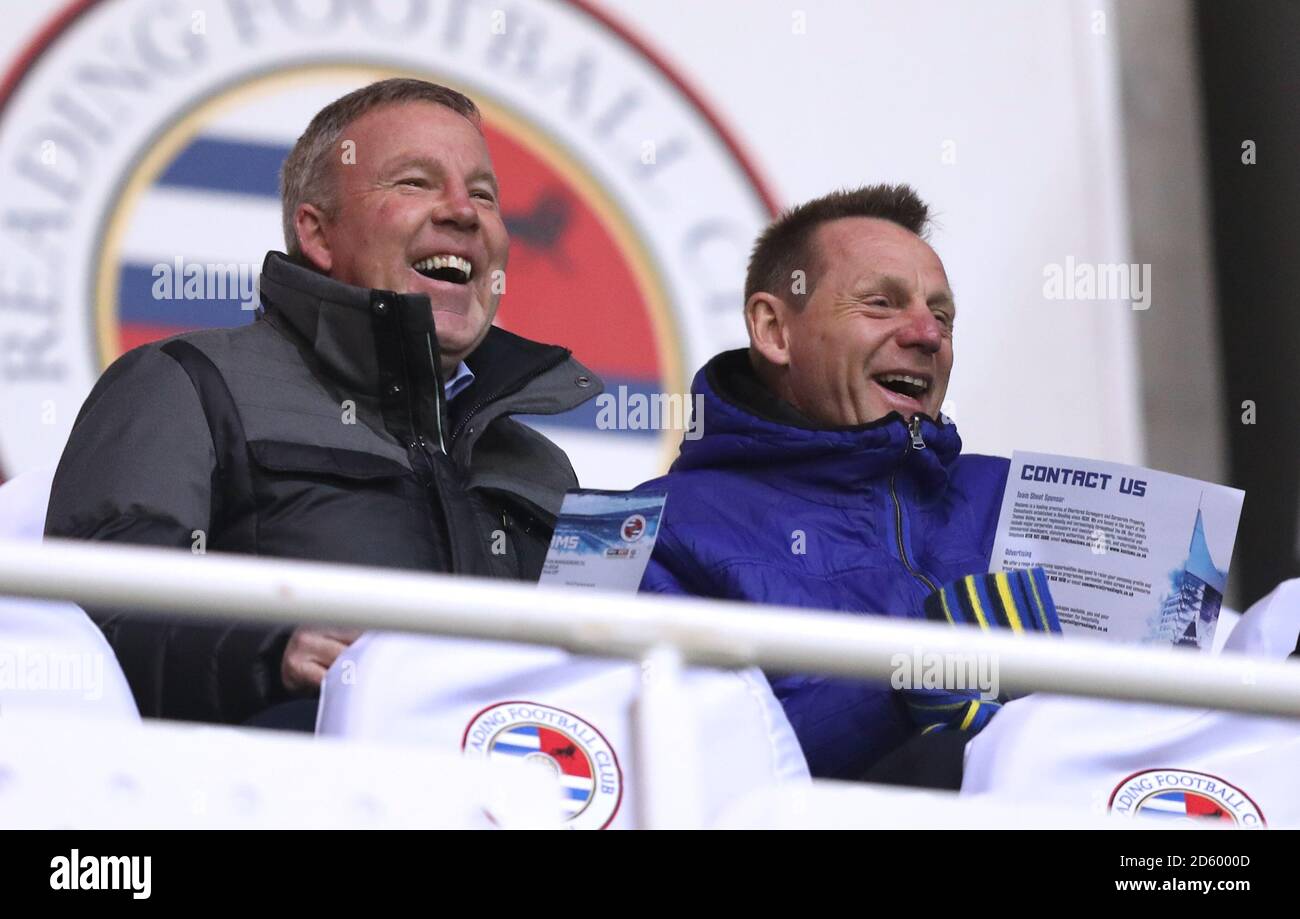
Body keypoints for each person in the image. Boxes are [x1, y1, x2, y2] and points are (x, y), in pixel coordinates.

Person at [44, 78, 602, 726]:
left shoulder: (546, 466)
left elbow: (597, 688)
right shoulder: (185, 383)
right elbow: (88, 625)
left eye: (483, 193)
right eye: (415, 183)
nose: (464, 211)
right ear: (317, 232)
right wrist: (269, 653)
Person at [636, 184, 1009, 779]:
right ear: (774, 330)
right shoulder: (635, 531)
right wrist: (909, 686)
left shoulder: (1020, 499)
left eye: (941, 316)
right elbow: (643, 773)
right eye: (881, 304)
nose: (927, 335)